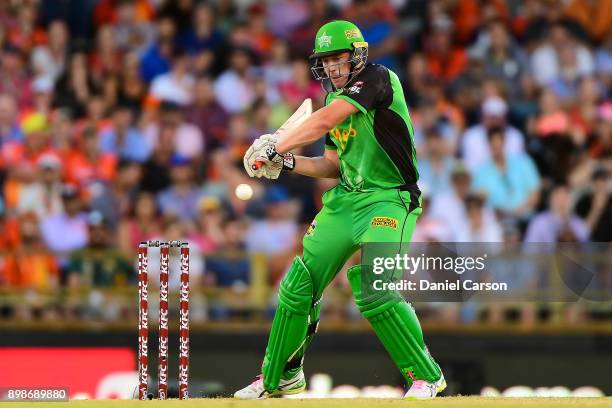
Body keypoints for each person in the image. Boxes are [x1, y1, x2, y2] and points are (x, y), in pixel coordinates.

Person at [237, 20, 445, 400]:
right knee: (299, 284)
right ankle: (281, 378)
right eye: (326, 60)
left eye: (339, 58)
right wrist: (286, 164)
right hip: (347, 199)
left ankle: (425, 376)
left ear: (358, 55)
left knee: (375, 287)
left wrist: (277, 145)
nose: (332, 67)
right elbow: (331, 165)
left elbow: (326, 120)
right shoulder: (334, 101)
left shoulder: (379, 79)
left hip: (390, 198)